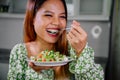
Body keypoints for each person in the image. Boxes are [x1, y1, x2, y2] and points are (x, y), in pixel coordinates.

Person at [7, 0, 104, 80]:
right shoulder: (19, 52)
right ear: (33, 19)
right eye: (48, 15)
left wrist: (81, 52)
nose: (57, 23)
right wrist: (38, 73)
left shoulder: (73, 50)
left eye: (62, 16)